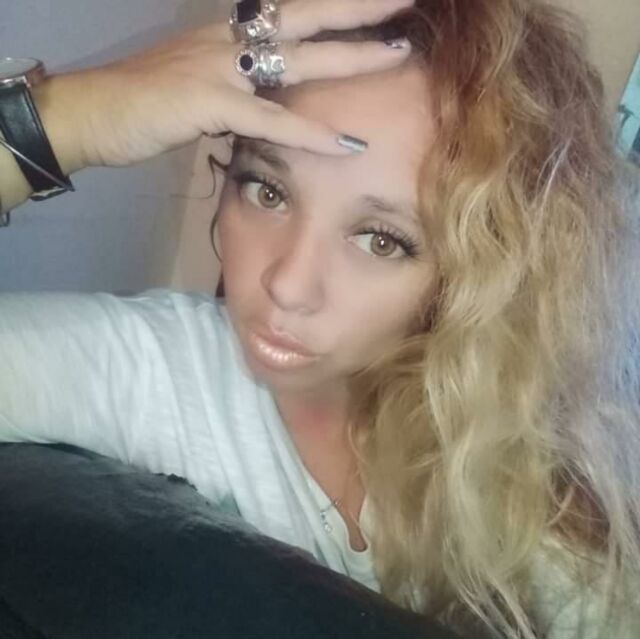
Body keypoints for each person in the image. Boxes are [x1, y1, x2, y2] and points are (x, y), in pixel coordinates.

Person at [1, 0, 639, 637]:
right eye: (268, 190)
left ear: (474, 274)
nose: (287, 285)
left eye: (380, 239)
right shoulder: (157, 369)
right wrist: (66, 121)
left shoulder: (523, 475)